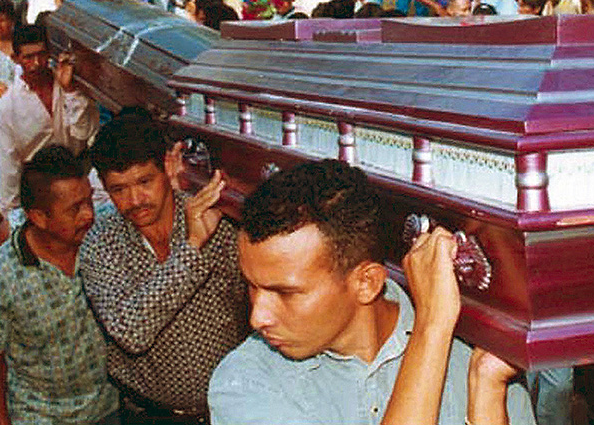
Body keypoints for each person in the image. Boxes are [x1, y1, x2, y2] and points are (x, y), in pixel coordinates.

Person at [207, 160, 535, 425]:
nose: (258, 317)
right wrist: (431, 328)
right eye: (252, 286)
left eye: (285, 293)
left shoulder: (472, 360)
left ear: (367, 283)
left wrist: (485, 392)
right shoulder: (244, 382)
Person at [80, 112, 248, 423]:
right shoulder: (100, 243)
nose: (134, 200)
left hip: (231, 409)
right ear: (102, 185)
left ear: (168, 166)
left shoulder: (217, 221)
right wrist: (192, 248)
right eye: (118, 189)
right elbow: (131, 332)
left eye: (145, 182)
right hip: (147, 415)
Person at [0, 145, 119, 425]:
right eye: (75, 208)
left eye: (89, 200)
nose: (88, 214)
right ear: (39, 217)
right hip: (40, 416)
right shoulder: (5, 273)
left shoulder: (102, 235)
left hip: (109, 408)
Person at [0, 24, 98, 231]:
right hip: (42, 188)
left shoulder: (70, 84)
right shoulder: (7, 107)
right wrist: (14, 218)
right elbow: (8, 168)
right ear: (16, 59)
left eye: (41, 54)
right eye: (28, 57)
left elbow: (84, 132)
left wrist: (70, 91)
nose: (36, 63)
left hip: (80, 174)